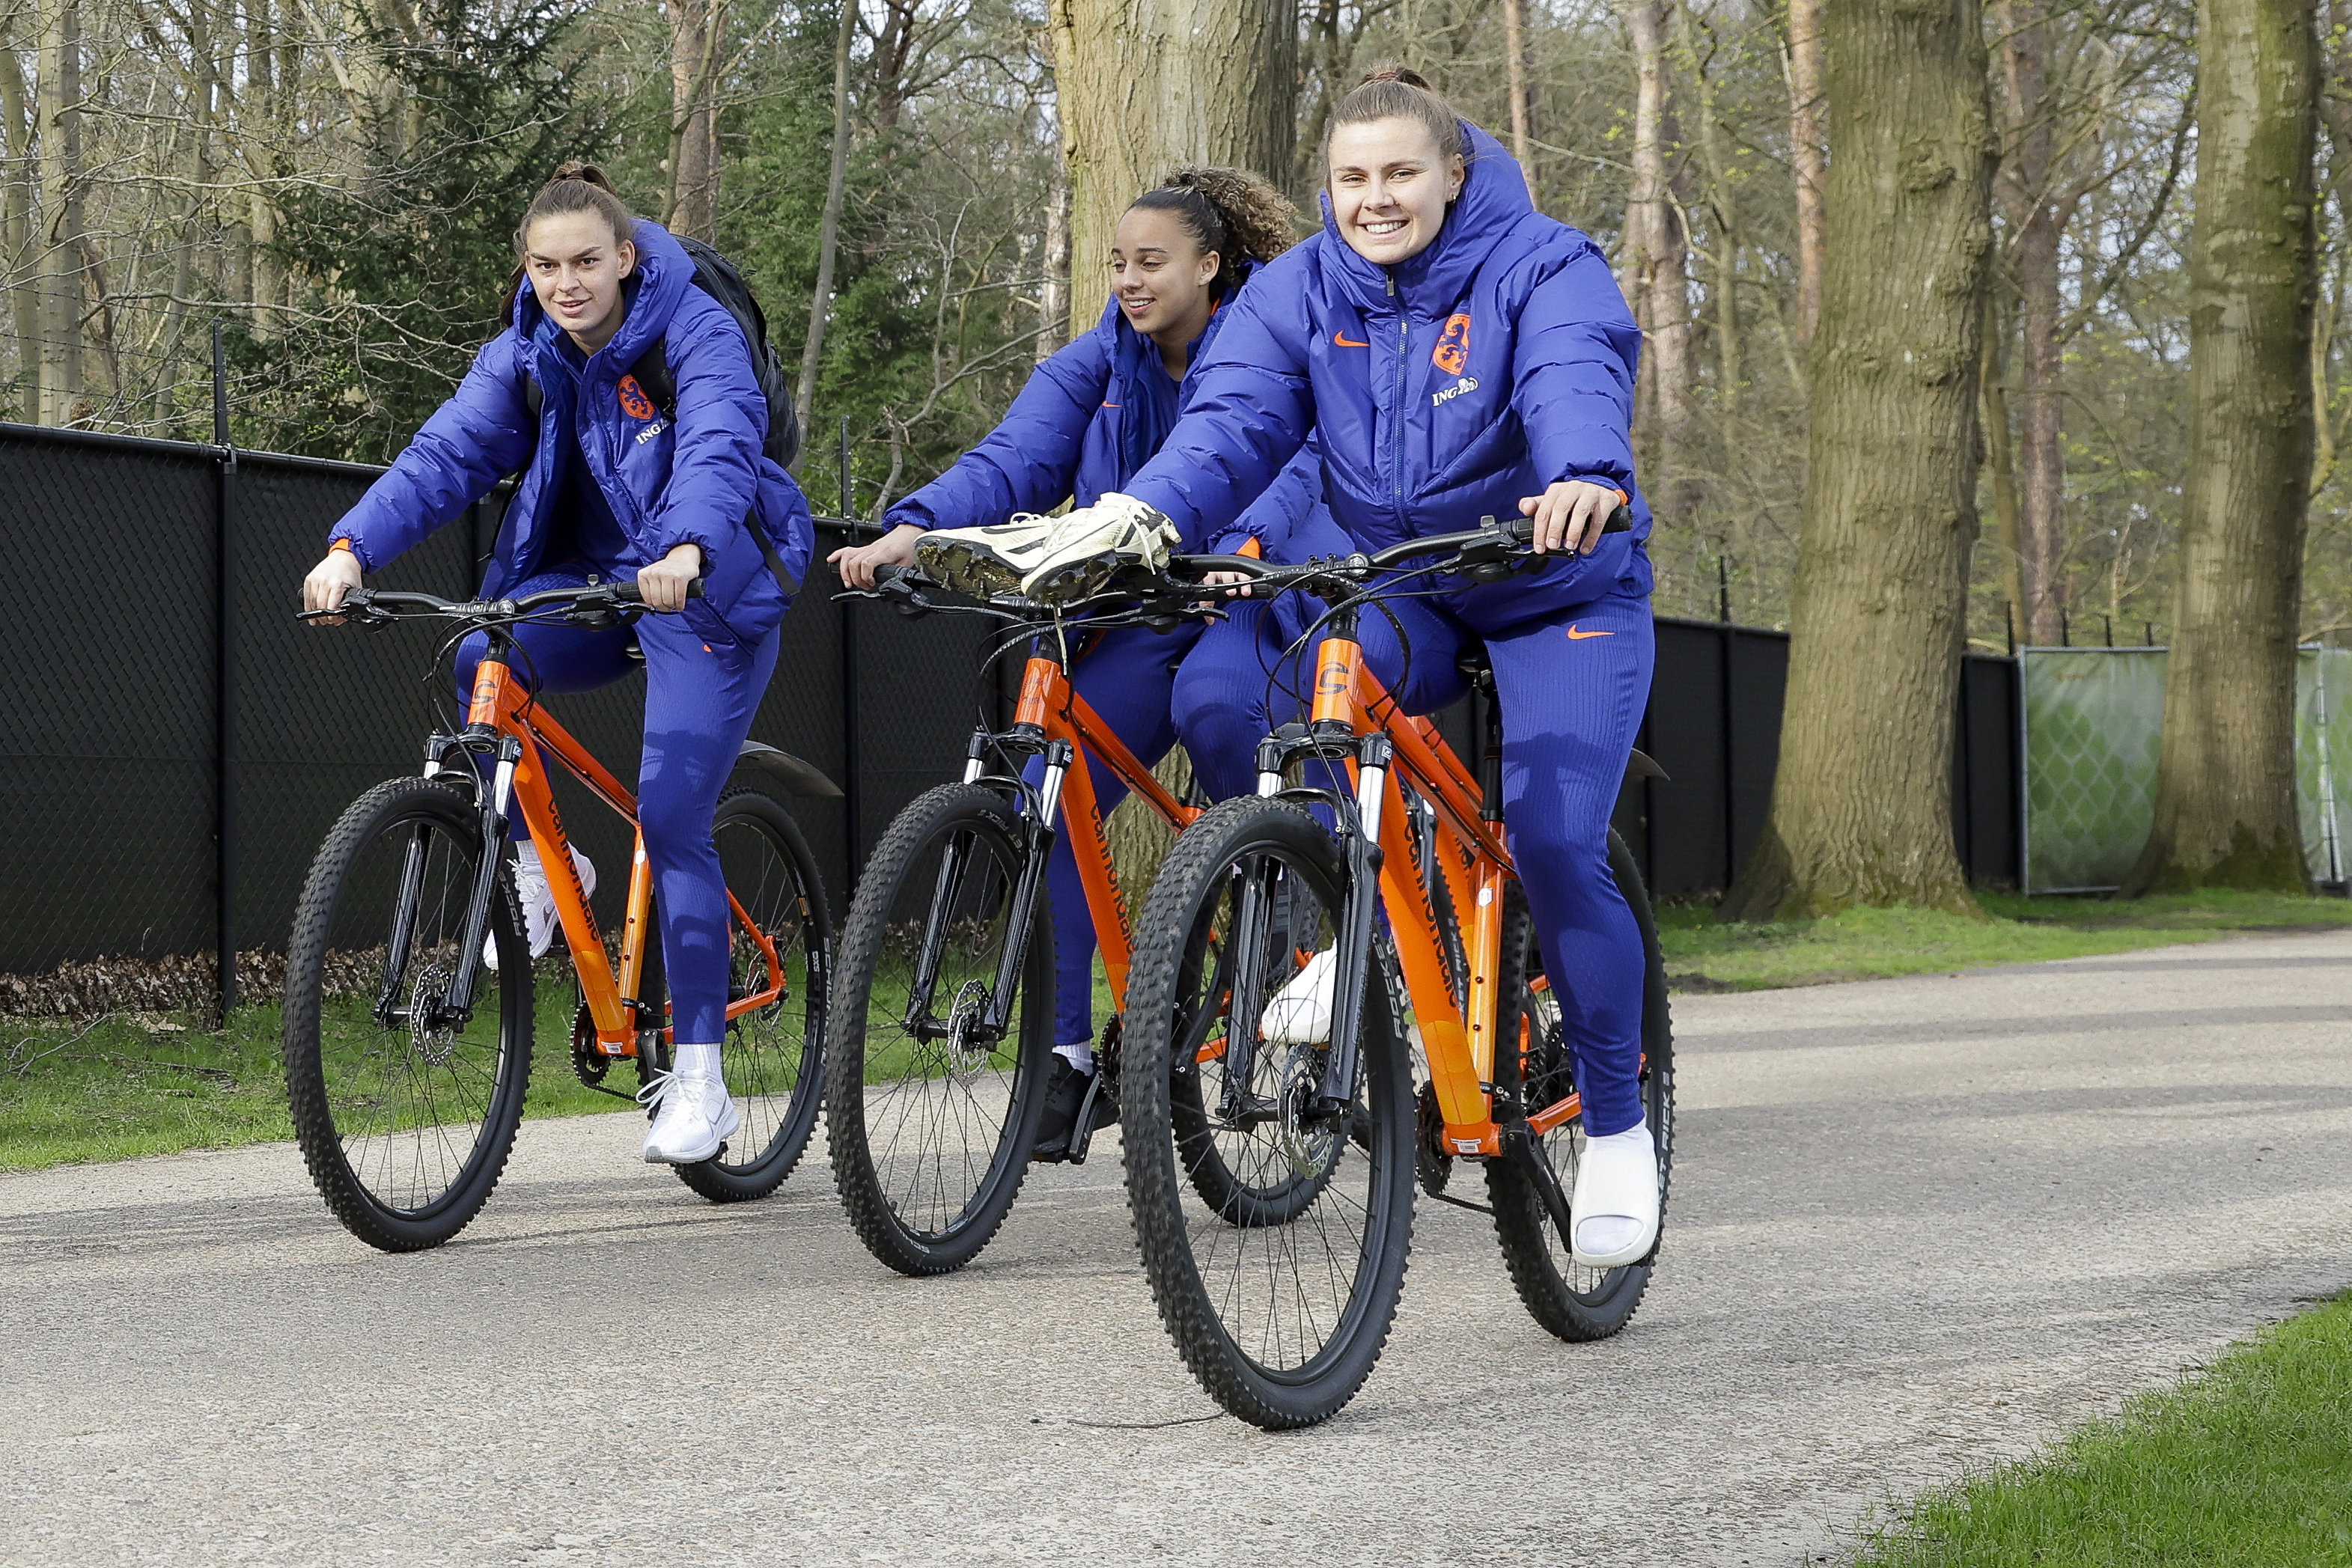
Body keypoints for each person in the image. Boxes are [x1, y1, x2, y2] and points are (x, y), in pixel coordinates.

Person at [914, 70, 1661, 1266]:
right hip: (1401, 584)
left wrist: (1583, 476)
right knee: (1280, 707)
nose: (1376, 200)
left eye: (1401, 174)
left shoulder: (1544, 263)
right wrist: (1142, 515)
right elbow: (1229, 424)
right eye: (1353, 178)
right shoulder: (1303, 289)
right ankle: (1351, 926)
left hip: (1551, 586)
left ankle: (1618, 1125)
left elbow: (1573, 373)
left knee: (1554, 838)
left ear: (1452, 172)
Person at [300, 162, 814, 1168]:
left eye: (585, 262)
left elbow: (716, 442)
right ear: (527, 272)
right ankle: (545, 866)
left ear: (625, 258)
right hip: (588, 584)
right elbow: (445, 455)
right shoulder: (524, 353)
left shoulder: (695, 334)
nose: (566, 283)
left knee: (671, 817)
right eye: (545, 267)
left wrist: (687, 547)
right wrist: (351, 547)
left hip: (705, 582)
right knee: (479, 658)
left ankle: (702, 1079)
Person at [835, 167, 1344, 1159]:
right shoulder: (1096, 364)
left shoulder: (1270, 347)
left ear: (1210, 265)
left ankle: (1290, 890)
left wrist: (1247, 547)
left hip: (1246, 595)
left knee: (1214, 706)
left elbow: (1300, 459)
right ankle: (1065, 1058)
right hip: (1144, 612)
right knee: (1046, 797)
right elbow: (1012, 456)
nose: (1129, 280)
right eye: (1117, 263)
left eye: (1151, 263)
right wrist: (913, 529)